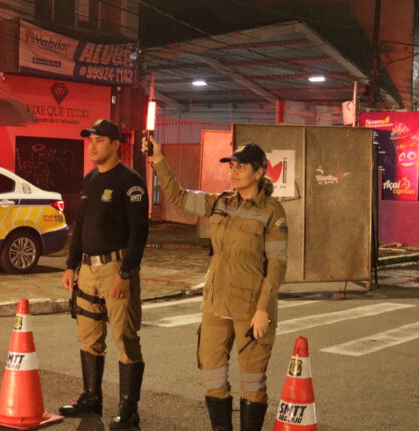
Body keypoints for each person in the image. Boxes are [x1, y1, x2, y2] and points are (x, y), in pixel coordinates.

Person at [142, 136, 288, 431]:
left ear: (259, 172)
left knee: (252, 381)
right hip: (216, 303)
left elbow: (276, 265)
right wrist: (158, 160)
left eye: (240, 167)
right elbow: (180, 197)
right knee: (211, 375)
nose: (232, 172)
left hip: (251, 307)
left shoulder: (272, 212)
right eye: (231, 166)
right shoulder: (219, 202)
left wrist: (263, 310)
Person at [60, 119, 149, 429]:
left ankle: (129, 408)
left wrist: (125, 273)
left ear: (116, 145)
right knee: (88, 335)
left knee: (125, 336)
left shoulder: (131, 182)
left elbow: (139, 234)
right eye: (90, 140)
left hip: (115, 269)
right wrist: (71, 265)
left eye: (99, 140)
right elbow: (80, 225)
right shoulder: (91, 179)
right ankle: (91, 396)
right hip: (87, 270)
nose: (92, 145)